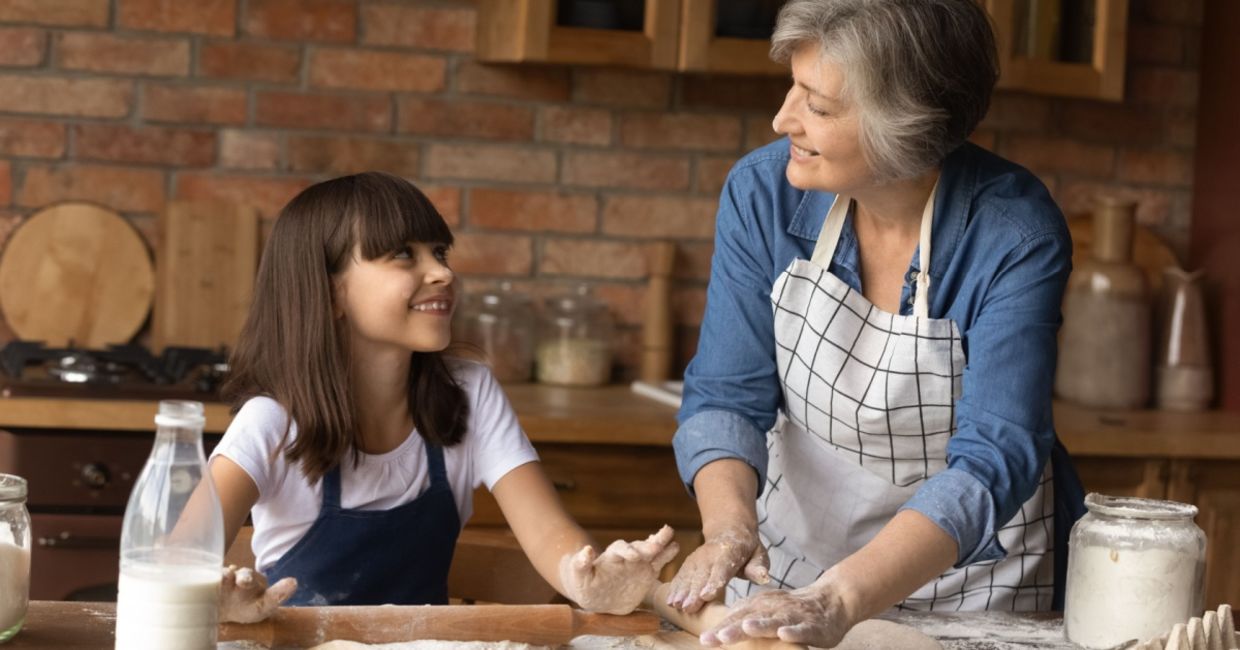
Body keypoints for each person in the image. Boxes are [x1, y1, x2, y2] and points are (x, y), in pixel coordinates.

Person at [665, 0, 1086, 646]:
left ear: (905, 128)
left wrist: (843, 596)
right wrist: (729, 531)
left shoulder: (1012, 235)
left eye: (819, 106)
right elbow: (726, 396)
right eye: (792, 90)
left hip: (971, 588)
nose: (783, 120)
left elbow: (994, 456)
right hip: (793, 574)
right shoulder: (763, 195)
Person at [208, 172, 678, 622]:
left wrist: (589, 583)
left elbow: (549, 533)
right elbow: (179, 557)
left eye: (439, 252)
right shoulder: (272, 422)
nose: (442, 273)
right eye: (402, 255)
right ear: (331, 293)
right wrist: (214, 601)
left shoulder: (468, 392)